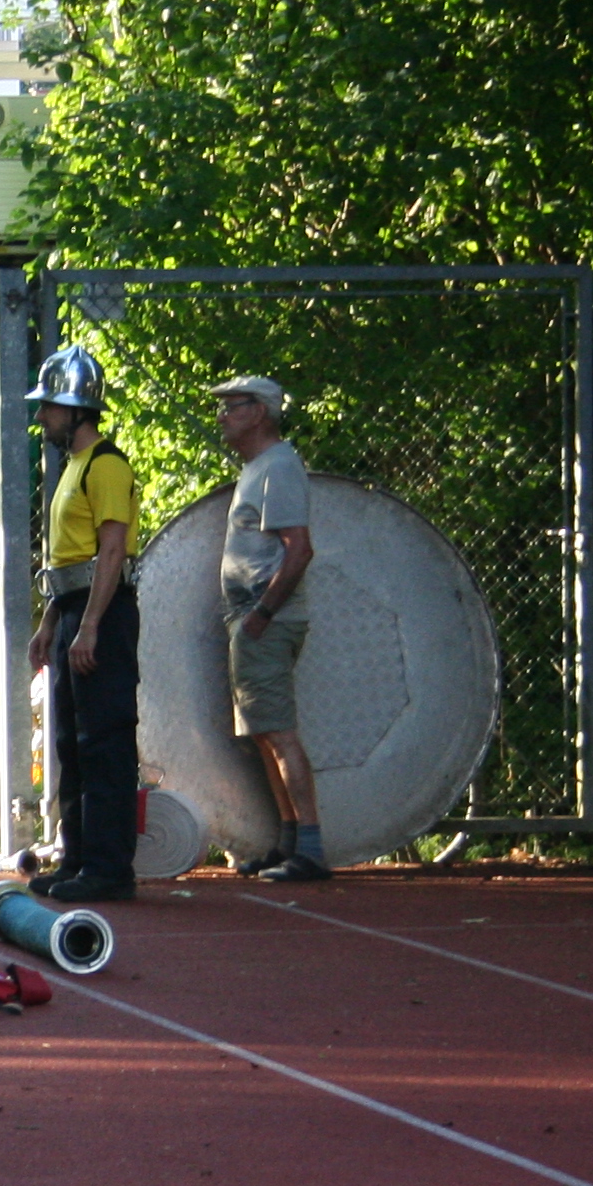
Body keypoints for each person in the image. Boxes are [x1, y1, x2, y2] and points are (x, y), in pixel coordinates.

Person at [22, 344, 139, 902]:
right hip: (75, 609)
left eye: (49, 406)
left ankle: (110, 868)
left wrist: (91, 625)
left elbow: (111, 552)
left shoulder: (106, 465)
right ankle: (78, 858)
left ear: (75, 410)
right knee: (71, 741)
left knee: (104, 741)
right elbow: (71, 561)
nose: (42, 415)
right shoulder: (72, 466)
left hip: (103, 613)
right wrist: (53, 622)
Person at [214, 373, 327, 883]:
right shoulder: (259, 467)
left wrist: (261, 615)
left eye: (231, 406)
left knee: (278, 734)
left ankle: (310, 850)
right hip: (251, 620)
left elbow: (298, 549)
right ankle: (288, 845)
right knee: (264, 734)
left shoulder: (278, 466)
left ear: (259, 412)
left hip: (263, 621)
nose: (222, 416)